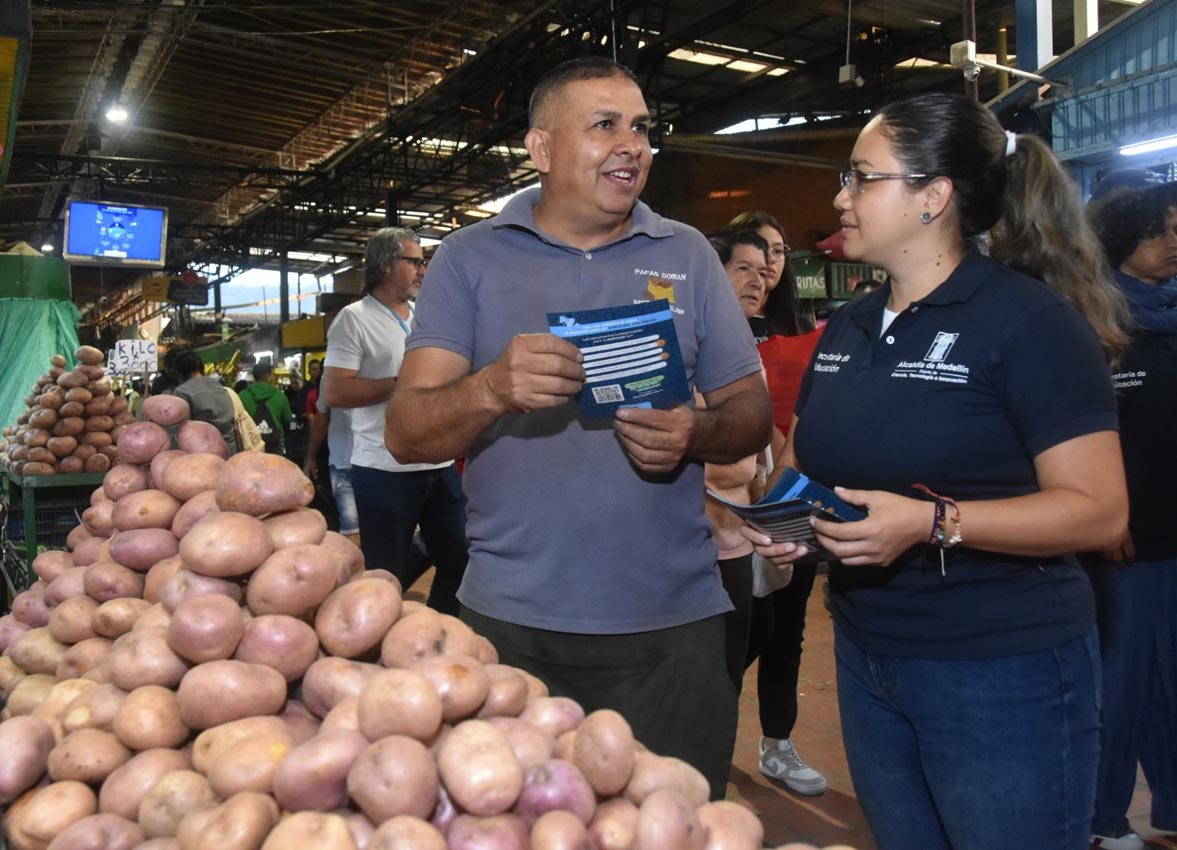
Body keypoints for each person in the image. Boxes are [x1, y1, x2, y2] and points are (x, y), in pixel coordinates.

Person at [743, 91, 1130, 850]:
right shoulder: (848, 326)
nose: (839, 196)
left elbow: (1098, 510)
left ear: (932, 197)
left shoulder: (1027, 322)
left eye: (860, 177)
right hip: (866, 655)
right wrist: (786, 523)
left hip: (1001, 670)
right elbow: (798, 463)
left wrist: (931, 522)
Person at [384, 56, 772, 799]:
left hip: (674, 625)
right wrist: (491, 388)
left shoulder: (686, 252)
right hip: (510, 623)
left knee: (674, 822)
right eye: (604, 125)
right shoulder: (469, 257)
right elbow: (407, 432)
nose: (632, 145)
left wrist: (692, 430)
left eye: (641, 129)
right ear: (541, 150)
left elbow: (749, 415)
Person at [1087, 182, 1177, 850]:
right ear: (1126, 239)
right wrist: (1107, 517)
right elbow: (1088, 439)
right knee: (1118, 685)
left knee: (1170, 681)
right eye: (1161, 230)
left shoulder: (1173, 315)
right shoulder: (1096, 323)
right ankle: (1104, 815)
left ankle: (1171, 804)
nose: (1173, 241)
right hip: (1125, 537)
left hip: (1174, 530)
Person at [729, 210, 829, 796]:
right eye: (755, 255)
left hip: (791, 487)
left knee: (786, 625)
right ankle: (703, 719)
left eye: (779, 253)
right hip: (741, 499)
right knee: (751, 628)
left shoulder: (805, 325)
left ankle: (778, 741)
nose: (769, 265)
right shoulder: (722, 328)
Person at [321, 226, 468, 616]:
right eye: (415, 262)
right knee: (385, 573)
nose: (423, 270)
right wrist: (402, 383)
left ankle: (435, 629)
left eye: (424, 263)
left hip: (438, 463)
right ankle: (380, 649)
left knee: (462, 556)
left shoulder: (428, 315)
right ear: (387, 264)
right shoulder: (353, 320)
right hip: (383, 468)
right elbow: (335, 393)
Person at [702, 227, 771, 693]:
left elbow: (751, 458)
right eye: (743, 268)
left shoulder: (746, 351)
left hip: (737, 543)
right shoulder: (684, 342)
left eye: (763, 272)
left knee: (729, 678)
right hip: (694, 548)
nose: (758, 280)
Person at [172, 349, 239, 454]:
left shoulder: (182, 392)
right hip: (231, 448)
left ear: (179, 374)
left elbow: (180, 431)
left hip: (204, 453)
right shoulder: (220, 386)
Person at [238, 362, 293, 455]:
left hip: (251, 447)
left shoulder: (242, 395)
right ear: (268, 376)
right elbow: (288, 419)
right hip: (274, 446)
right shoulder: (280, 396)